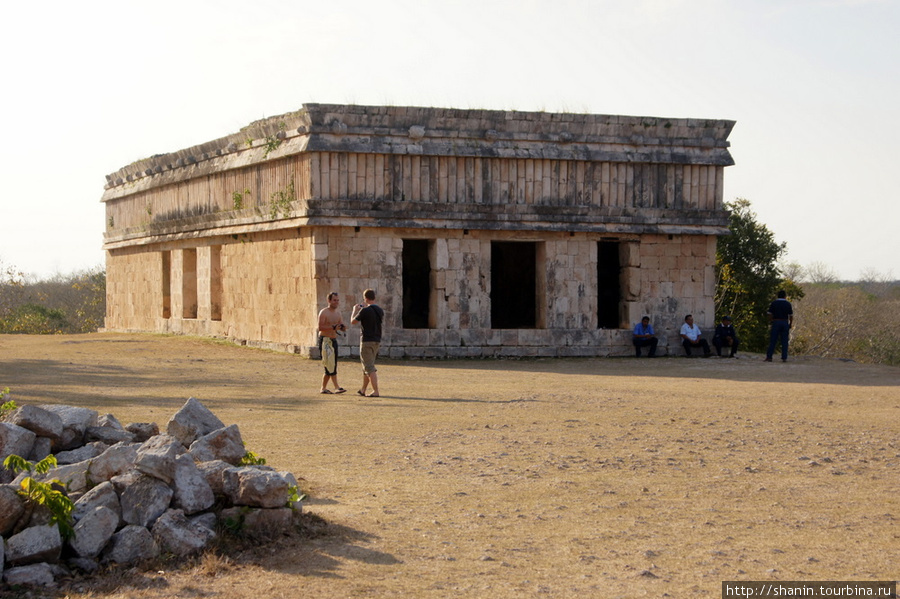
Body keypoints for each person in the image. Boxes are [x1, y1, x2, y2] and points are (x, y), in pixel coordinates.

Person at [350, 288, 384, 397]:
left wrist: (355, 310)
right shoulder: (379, 310)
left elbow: (353, 321)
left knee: (369, 367)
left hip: (367, 341)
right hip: (376, 340)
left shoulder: (364, 311)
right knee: (367, 366)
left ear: (365, 298)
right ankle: (363, 389)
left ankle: (375, 391)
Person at [317, 292, 347, 394]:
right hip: (325, 340)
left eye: (338, 300)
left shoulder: (338, 314)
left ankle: (324, 388)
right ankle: (337, 387)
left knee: (332, 364)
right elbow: (320, 327)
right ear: (329, 301)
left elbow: (342, 327)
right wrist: (332, 327)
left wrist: (342, 327)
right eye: (334, 300)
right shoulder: (324, 312)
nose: (336, 302)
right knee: (329, 364)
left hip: (333, 340)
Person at [765, 290, 793, 362]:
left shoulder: (774, 303)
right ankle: (784, 357)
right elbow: (791, 316)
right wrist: (790, 324)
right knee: (784, 341)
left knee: (773, 340)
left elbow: (769, 313)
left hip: (776, 321)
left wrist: (771, 320)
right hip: (784, 322)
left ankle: (769, 357)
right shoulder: (788, 304)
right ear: (785, 296)